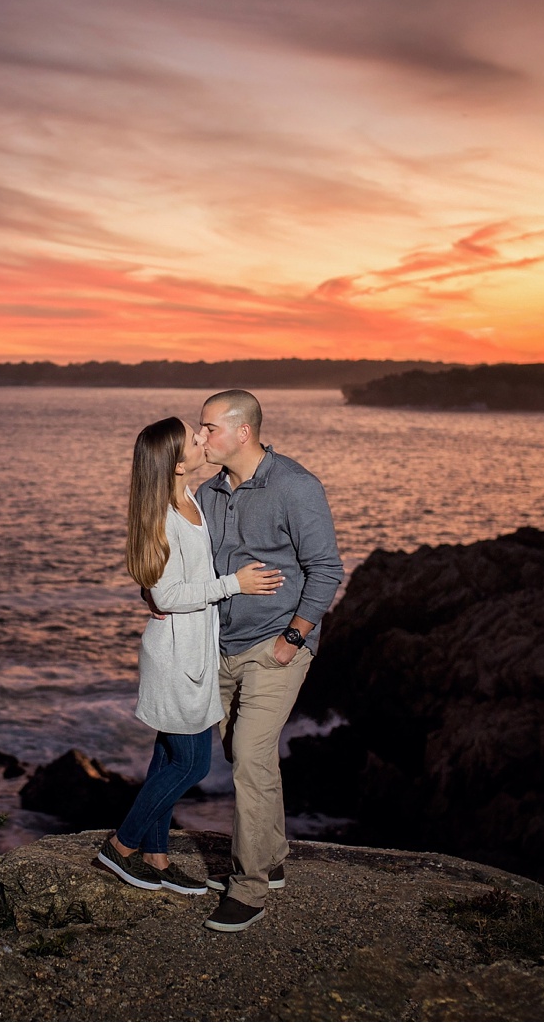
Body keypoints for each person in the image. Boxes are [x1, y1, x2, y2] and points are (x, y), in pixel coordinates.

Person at [97, 416, 284, 894]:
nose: (203, 439)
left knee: (168, 756)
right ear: (178, 463)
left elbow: (161, 584)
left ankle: (156, 857)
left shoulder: (190, 500)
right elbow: (168, 595)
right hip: (176, 658)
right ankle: (120, 847)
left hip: (194, 652)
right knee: (192, 764)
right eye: (194, 437)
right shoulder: (163, 514)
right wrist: (234, 585)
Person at [194, 389, 344, 932]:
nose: (200, 436)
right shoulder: (209, 491)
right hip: (223, 645)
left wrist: (296, 637)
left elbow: (326, 569)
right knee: (240, 751)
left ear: (242, 431)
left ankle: (251, 886)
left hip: (275, 646)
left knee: (252, 758)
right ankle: (273, 853)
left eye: (208, 427)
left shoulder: (295, 487)